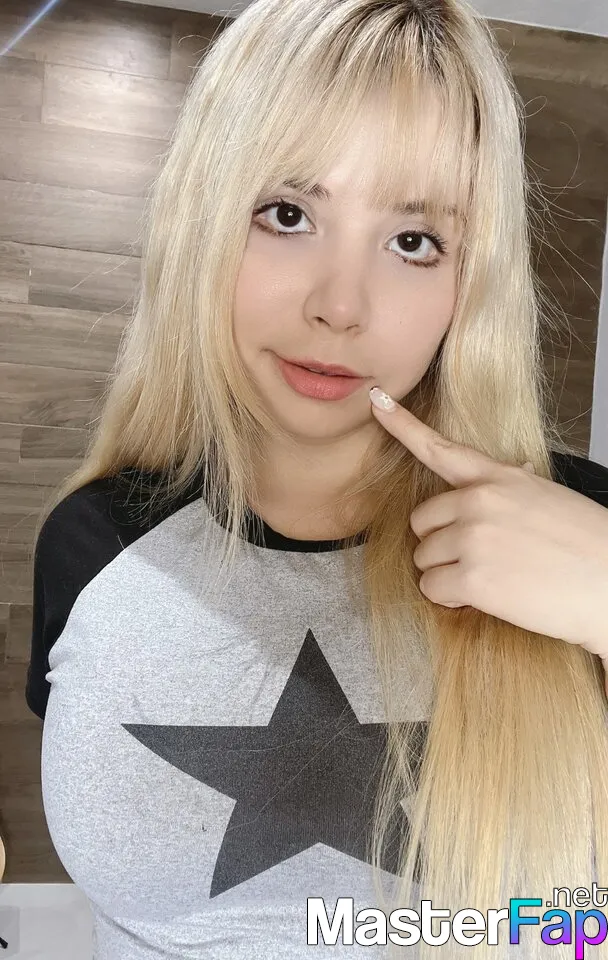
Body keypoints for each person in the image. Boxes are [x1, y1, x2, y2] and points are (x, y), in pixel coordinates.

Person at [25, 0, 608, 957]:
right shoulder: (94, 543)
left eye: (414, 240)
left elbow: (579, 928)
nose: (341, 306)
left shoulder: (584, 530)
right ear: (203, 221)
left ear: (472, 281)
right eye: (287, 215)